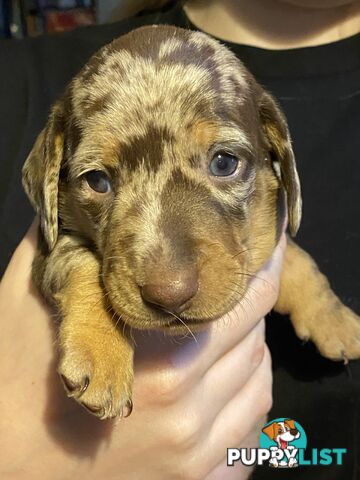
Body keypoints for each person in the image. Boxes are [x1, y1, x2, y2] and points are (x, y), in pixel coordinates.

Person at [0, 0, 359, 478]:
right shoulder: (16, 80)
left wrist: (317, 303)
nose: (167, 283)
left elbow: (275, 244)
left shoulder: (266, 190)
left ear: (279, 160)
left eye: (223, 162)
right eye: (99, 180)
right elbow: (59, 253)